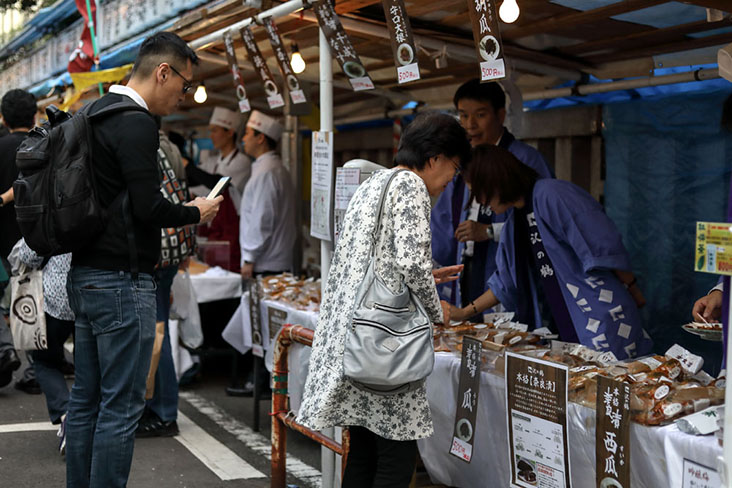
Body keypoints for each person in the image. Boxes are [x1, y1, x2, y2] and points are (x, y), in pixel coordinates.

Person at [64, 32, 222, 488]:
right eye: (185, 84)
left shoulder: (92, 112)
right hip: (122, 280)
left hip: (86, 274)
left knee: (86, 401)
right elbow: (148, 208)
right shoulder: (136, 122)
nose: (184, 95)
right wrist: (196, 210)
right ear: (162, 71)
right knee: (121, 407)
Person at [297, 112, 471, 487]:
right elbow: (410, 261)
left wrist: (420, 276)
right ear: (435, 158)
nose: (450, 180)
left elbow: (373, 258)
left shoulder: (374, 182)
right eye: (454, 169)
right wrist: (435, 306)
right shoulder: (410, 186)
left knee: (362, 452)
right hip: (385, 343)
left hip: (356, 338)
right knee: (395, 459)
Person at [450, 144, 652, 360]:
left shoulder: (552, 194)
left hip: (600, 314)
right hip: (557, 327)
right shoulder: (513, 223)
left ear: (495, 181)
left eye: (479, 192)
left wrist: (632, 287)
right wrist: (464, 313)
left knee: (617, 384)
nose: (480, 202)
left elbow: (603, 246)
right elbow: (504, 283)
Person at [431, 79, 553, 318]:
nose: (470, 125)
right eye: (463, 116)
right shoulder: (459, 165)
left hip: (514, 274)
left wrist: (490, 231)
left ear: (500, 115)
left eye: (480, 115)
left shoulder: (524, 159)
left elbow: (541, 225)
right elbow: (441, 227)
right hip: (466, 273)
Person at [136, 117, 195, 438]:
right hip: (170, 250)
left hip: (156, 250)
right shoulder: (171, 145)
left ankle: (163, 410)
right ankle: (158, 406)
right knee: (157, 329)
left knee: (156, 331)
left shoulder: (148, 146)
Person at [9, 238, 73, 454]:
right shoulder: (99, 205)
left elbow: (29, 254)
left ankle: (67, 415)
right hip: (92, 294)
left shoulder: (52, 207)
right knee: (90, 365)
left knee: (44, 362)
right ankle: (88, 421)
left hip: (53, 298)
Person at [0, 88, 37, 388]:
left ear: (3, 117)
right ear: (35, 114)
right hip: (36, 239)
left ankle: (4, 350)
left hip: (1, 240)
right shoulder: (43, 146)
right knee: (34, 301)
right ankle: (37, 370)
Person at [239, 110, 295, 279]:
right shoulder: (270, 168)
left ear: (260, 138)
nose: (243, 139)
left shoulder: (267, 172)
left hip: (266, 265)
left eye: (247, 133)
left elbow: (262, 218)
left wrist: (249, 258)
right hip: (270, 261)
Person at [186, 106, 251, 204]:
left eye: (215, 131)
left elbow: (218, 184)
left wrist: (186, 165)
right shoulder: (213, 160)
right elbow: (198, 180)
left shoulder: (242, 162)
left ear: (229, 133)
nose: (211, 136)